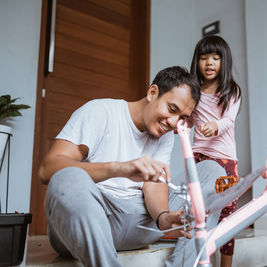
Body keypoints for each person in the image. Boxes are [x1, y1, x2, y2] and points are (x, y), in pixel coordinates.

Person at [39, 66, 226, 267]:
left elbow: (153, 184)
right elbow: (48, 169)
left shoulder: (164, 134)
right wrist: (119, 168)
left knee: (213, 172)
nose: (173, 122)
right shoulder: (100, 112)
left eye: (182, 117)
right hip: (92, 220)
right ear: (152, 93)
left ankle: (183, 264)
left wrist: (163, 216)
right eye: (172, 109)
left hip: (139, 222)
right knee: (67, 177)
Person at [188, 35, 242, 267]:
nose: (209, 63)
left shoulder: (231, 91)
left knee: (227, 215)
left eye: (215, 58)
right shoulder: (193, 92)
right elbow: (189, 119)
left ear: (224, 61)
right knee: (200, 212)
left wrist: (216, 126)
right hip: (199, 158)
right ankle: (201, 260)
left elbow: (229, 120)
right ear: (197, 62)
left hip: (225, 160)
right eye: (204, 58)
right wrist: (179, 125)